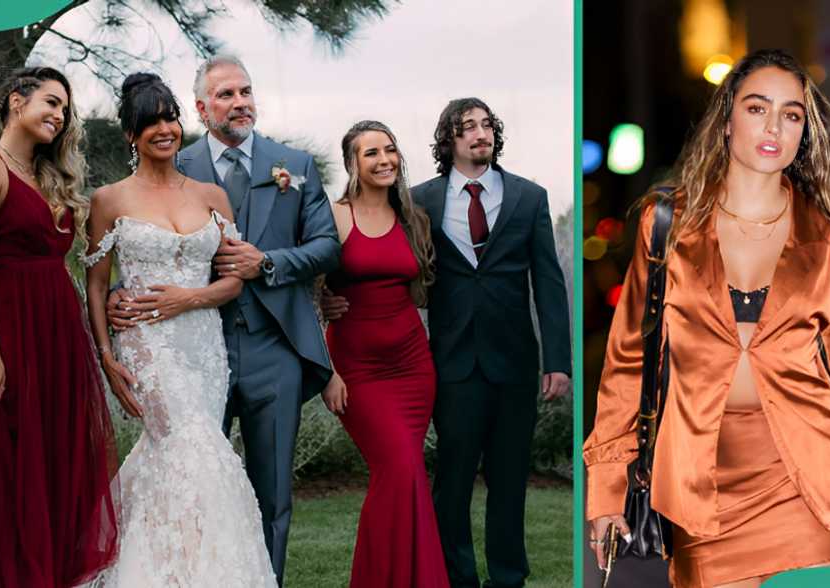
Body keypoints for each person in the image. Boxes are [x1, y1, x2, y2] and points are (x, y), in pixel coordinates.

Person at [583, 49, 830, 588]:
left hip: (811, 492)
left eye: (792, 114)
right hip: (702, 496)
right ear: (727, 120)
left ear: (804, 132)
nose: (774, 125)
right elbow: (628, 363)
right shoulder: (667, 226)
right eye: (757, 108)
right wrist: (610, 482)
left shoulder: (827, 236)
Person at [109, 54, 338, 585]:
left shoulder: (295, 165)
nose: (240, 103)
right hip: (188, 354)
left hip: (271, 348)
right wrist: (123, 293)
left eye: (246, 91)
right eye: (227, 95)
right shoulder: (174, 162)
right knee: (187, 482)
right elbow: (146, 242)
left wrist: (271, 263)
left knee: (271, 491)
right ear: (201, 107)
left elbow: (327, 245)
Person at [324, 97, 572, 588]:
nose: (480, 134)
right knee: (450, 484)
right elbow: (377, 262)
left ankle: (508, 578)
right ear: (449, 141)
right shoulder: (418, 203)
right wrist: (333, 301)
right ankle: (456, 578)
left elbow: (548, 283)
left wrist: (559, 361)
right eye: (467, 128)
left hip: (515, 364)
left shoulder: (529, 197)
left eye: (486, 125)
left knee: (508, 485)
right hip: (448, 364)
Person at [82, 72, 275, 587]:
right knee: (197, 451)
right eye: (151, 122)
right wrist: (107, 356)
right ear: (131, 134)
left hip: (204, 344)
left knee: (179, 457)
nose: (164, 129)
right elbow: (97, 285)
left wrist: (190, 298)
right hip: (147, 345)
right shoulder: (109, 200)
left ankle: (165, 570)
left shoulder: (212, 195)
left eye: (169, 117)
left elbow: (234, 279)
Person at [0, 66, 118, 588]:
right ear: (14, 102)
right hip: (13, 328)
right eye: (50, 102)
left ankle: (56, 574)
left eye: (64, 109)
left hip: (59, 332)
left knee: (58, 453)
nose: (58, 115)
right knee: (16, 457)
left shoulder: (50, 176)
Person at [320, 120, 447, 587]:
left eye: (390, 150)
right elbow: (306, 292)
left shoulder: (414, 218)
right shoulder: (334, 216)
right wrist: (326, 372)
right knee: (398, 467)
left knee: (406, 472)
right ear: (352, 163)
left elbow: (423, 287)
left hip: (414, 366)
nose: (384, 160)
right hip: (358, 370)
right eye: (370, 153)